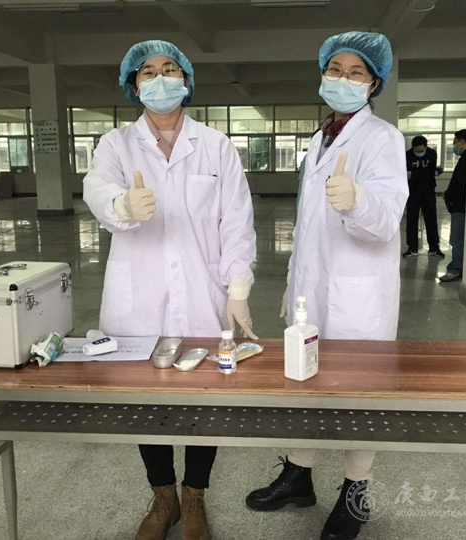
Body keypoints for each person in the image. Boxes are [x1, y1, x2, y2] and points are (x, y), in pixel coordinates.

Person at [83, 40, 258, 540]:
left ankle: (194, 495)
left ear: (186, 79)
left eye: (169, 69)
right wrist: (121, 205)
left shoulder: (216, 145)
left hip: (203, 294)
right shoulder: (116, 144)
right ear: (132, 85)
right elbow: (97, 189)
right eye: (147, 72)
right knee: (145, 400)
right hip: (139, 299)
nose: (159, 80)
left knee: (207, 398)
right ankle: (163, 498)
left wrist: (238, 286)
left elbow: (237, 221)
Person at [246, 32, 408, 540]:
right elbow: (308, 225)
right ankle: (299, 475)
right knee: (303, 381)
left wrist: (357, 200)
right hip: (311, 291)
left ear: (374, 83)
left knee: (361, 392)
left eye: (356, 72)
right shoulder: (321, 138)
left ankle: (356, 491)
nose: (343, 79)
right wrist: (292, 281)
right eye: (335, 69)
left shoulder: (382, 138)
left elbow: (385, 220)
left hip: (359, 295)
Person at [403, 135, 444, 257]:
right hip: (413, 191)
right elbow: (407, 173)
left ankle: (434, 247)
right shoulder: (407, 155)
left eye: (421, 151)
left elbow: (429, 172)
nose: (419, 153)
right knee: (411, 219)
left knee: (431, 219)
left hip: (428, 191)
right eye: (417, 151)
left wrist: (414, 174)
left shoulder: (432, 153)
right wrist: (427, 173)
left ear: (426, 147)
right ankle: (412, 248)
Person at [440, 129, 466, 282]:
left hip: (460, 205)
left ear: (462, 141)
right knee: (460, 239)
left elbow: (459, 183)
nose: (455, 146)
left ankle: (455, 269)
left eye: (455, 142)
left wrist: (449, 197)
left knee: (456, 240)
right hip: (461, 204)